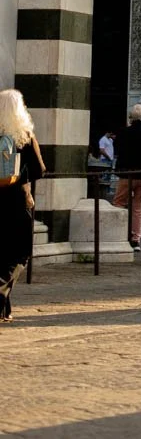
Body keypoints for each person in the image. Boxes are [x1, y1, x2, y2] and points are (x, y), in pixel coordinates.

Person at [0, 90, 45, 322]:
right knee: (20, 254)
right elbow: (39, 169)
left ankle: (4, 308)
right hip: (16, 202)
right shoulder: (25, 135)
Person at [113, 103, 141, 247]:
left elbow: (117, 149)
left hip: (126, 173)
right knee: (138, 207)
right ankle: (136, 239)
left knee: (119, 203)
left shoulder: (123, 132)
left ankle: (118, 235)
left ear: (131, 116)